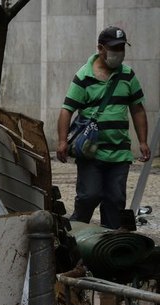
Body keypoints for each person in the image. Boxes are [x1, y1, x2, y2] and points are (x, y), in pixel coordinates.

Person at [56, 26, 150, 229]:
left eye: (122, 48)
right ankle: (74, 239)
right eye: (114, 48)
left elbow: (138, 110)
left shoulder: (128, 75)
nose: (119, 53)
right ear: (100, 48)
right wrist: (63, 141)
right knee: (89, 196)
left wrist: (143, 141)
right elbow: (67, 110)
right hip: (91, 152)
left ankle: (109, 248)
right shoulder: (83, 76)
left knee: (115, 201)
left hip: (119, 153)